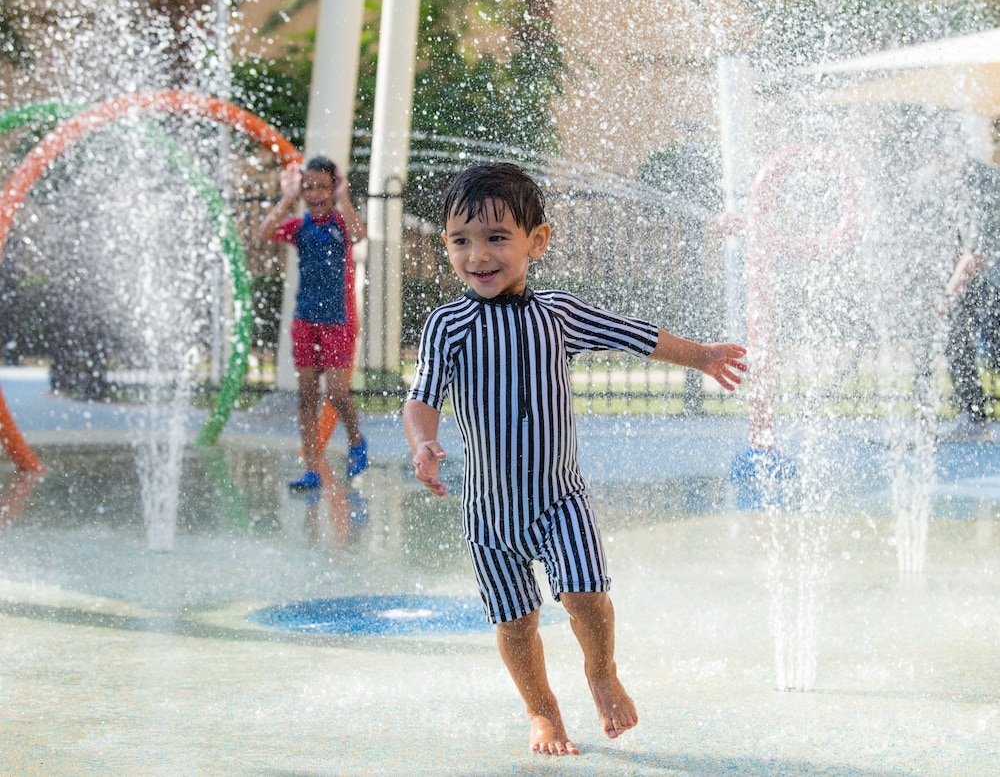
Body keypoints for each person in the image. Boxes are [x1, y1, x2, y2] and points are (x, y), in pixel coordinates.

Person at [403, 162, 747, 755]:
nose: (478, 255)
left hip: (560, 498)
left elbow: (635, 335)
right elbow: (422, 396)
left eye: (496, 238)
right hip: (489, 513)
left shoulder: (557, 314)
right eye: (462, 241)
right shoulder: (447, 326)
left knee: (586, 594)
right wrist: (423, 443)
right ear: (447, 246)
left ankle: (601, 672)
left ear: (536, 242)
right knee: (514, 622)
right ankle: (543, 713)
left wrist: (702, 357)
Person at [256, 156, 369, 487]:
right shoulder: (300, 226)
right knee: (306, 395)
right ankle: (312, 467)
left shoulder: (340, 224)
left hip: (337, 320)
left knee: (335, 392)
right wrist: (287, 197)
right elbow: (264, 234)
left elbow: (359, 235)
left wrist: (345, 198)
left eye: (322, 187)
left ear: (333, 189)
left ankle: (356, 440)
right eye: (308, 188)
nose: (315, 194)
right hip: (305, 319)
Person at [940, 156, 1000, 442]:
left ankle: (975, 419)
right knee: (957, 342)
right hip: (983, 283)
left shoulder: (982, 181)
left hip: (992, 283)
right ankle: (974, 417)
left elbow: (976, 252)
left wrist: (949, 294)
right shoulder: (967, 181)